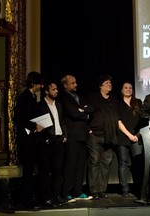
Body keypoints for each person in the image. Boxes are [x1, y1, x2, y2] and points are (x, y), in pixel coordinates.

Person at [58, 74, 94, 203]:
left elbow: (91, 108)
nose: (76, 85)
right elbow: (72, 113)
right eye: (72, 83)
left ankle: (77, 191)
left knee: (80, 165)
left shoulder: (80, 97)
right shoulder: (63, 97)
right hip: (72, 135)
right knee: (70, 165)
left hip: (83, 135)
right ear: (65, 85)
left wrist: (82, 111)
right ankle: (66, 192)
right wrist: (83, 113)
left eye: (76, 82)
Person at [14, 71, 44, 208]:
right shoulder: (24, 98)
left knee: (33, 170)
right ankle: (26, 200)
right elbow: (20, 119)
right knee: (28, 170)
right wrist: (34, 125)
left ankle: (32, 197)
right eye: (39, 84)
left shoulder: (32, 98)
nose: (41, 87)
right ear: (33, 84)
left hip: (33, 140)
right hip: (26, 141)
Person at [86, 74, 119, 200]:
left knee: (106, 163)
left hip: (110, 137)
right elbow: (87, 113)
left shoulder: (113, 99)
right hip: (95, 135)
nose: (109, 85)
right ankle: (94, 190)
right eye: (106, 83)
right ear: (100, 86)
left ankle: (102, 189)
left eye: (110, 83)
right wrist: (89, 130)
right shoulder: (93, 97)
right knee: (95, 162)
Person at [37, 80, 67, 207]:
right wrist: (46, 138)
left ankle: (57, 196)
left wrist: (65, 136)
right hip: (47, 141)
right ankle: (46, 198)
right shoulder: (40, 105)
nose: (56, 91)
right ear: (46, 91)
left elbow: (62, 121)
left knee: (58, 171)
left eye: (56, 89)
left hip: (59, 140)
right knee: (45, 171)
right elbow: (38, 124)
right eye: (53, 89)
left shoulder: (58, 105)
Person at [116, 82, 144, 198]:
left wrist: (137, 135)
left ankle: (140, 188)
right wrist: (129, 135)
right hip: (123, 137)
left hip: (137, 137)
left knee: (138, 162)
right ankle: (125, 189)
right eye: (126, 88)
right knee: (123, 163)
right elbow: (119, 122)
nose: (128, 89)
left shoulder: (138, 103)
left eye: (130, 88)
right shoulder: (118, 104)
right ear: (122, 90)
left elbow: (143, 120)